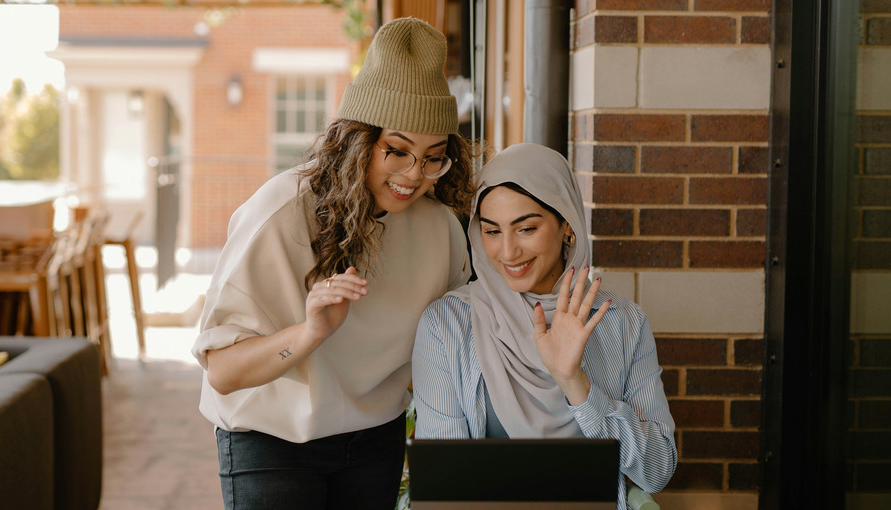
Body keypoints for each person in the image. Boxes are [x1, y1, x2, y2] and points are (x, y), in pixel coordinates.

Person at [190, 17, 476, 510]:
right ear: (358, 139)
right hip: (271, 440)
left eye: (434, 156)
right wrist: (310, 333)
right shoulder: (280, 213)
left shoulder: (439, 227)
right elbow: (222, 371)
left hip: (374, 440)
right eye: (398, 151)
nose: (415, 175)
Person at [411, 143, 677, 508]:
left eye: (526, 228)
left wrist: (575, 382)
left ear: (566, 223)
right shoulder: (447, 325)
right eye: (491, 232)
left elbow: (657, 471)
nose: (507, 252)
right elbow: (443, 485)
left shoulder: (622, 322)